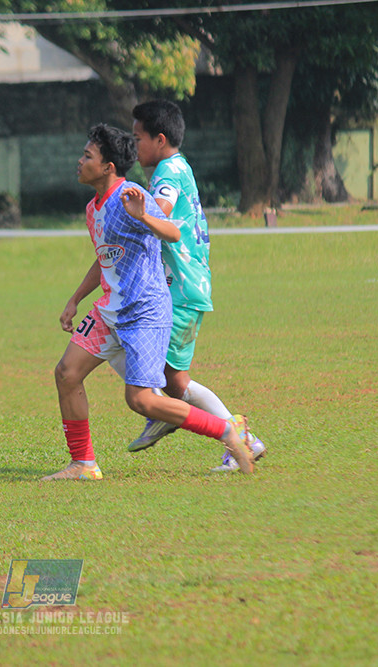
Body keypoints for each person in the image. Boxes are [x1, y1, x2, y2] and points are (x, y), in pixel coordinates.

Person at [43, 123, 255, 481]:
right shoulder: (93, 208)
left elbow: (173, 231)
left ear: (109, 166)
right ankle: (83, 464)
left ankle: (227, 432)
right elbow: (106, 257)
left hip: (144, 311)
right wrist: (76, 298)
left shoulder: (131, 197)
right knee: (66, 373)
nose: (79, 161)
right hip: (110, 310)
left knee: (142, 400)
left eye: (87, 156)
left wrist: (144, 215)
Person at [118, 99, 266, 472]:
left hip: (181, 289)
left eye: (138, 139)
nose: (135, 148)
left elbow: (163, 210)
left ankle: (234, 437)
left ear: (160, 139)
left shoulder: (167, 172)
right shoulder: (178, 165)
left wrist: (136, 212)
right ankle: (236, 437)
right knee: (173, 378)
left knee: (138, 352)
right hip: (190, 286)